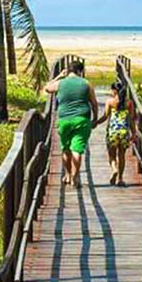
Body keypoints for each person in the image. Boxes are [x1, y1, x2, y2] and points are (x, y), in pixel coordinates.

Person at [45, 59, 98, 187]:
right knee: (77, 150)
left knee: (66, 148)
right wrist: (95, 119)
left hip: (64, 120)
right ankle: (75, 177)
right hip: (82, 119)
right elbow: (94, 104)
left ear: (68, 71)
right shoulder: (86, 83)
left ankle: (68, 175)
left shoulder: (60, 83)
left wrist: (58, 76)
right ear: (80, 71)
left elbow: (46, 88)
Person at [95, 79, 136, 186]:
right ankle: (121, 179)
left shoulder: (110, 102)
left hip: (112, 131)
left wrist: (95, 123)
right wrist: (134, 133)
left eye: (111, 90)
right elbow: (131, 119)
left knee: (112, 155)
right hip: (124, 132)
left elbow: (105, 116)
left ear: (114, 91)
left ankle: (114, 169)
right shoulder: (129, 103)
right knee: (121, 155)